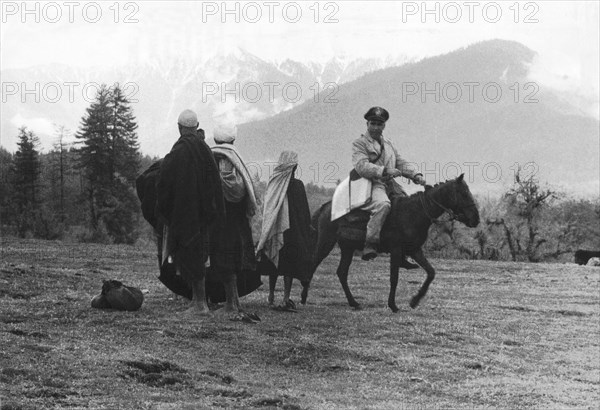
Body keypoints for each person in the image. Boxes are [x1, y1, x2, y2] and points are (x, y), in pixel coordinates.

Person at [156, 109, 225, 315]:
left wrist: (166, 207)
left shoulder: (179, 151)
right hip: (204, 214)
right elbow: (214, 181)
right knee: (200, 255)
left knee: (191, 256)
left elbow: (164, 181)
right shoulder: (204, 149)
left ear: (179, 128)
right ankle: (197, 300)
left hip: (185, 214)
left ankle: (200, 304)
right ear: (196, 127)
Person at [352, 106, 426, 261]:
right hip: (371, 183)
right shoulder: (360, 143)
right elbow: (361, 167)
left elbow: (400, 162)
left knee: (408, 207)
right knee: (383, 205)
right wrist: (385, 170)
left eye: (379, 124)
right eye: (373, 123)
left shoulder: (389, 144)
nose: (376, 127)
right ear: (367, 124)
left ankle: (402, 251)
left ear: (384, 125)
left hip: (390, 185)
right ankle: (370, 244)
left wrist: (415, 175)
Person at [210, 125, 261, 319]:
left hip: (222, 219)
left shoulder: (213, 158)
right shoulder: (237, 158)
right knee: (235, 259)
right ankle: (235, 301)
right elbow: (246, 188)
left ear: (215, 140)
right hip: (238, 219)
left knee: (224, 261)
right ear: (232, 140)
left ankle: (231, 304)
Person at [256, 151, 314, 311]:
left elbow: (267, 209)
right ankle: (285, 297)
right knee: (288, 266)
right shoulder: (297, 185)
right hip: (292, 232)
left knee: (275, 264)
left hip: (275, 229)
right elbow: (304, 212)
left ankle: (271, 295)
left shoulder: (274, 182)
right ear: (294, 166)